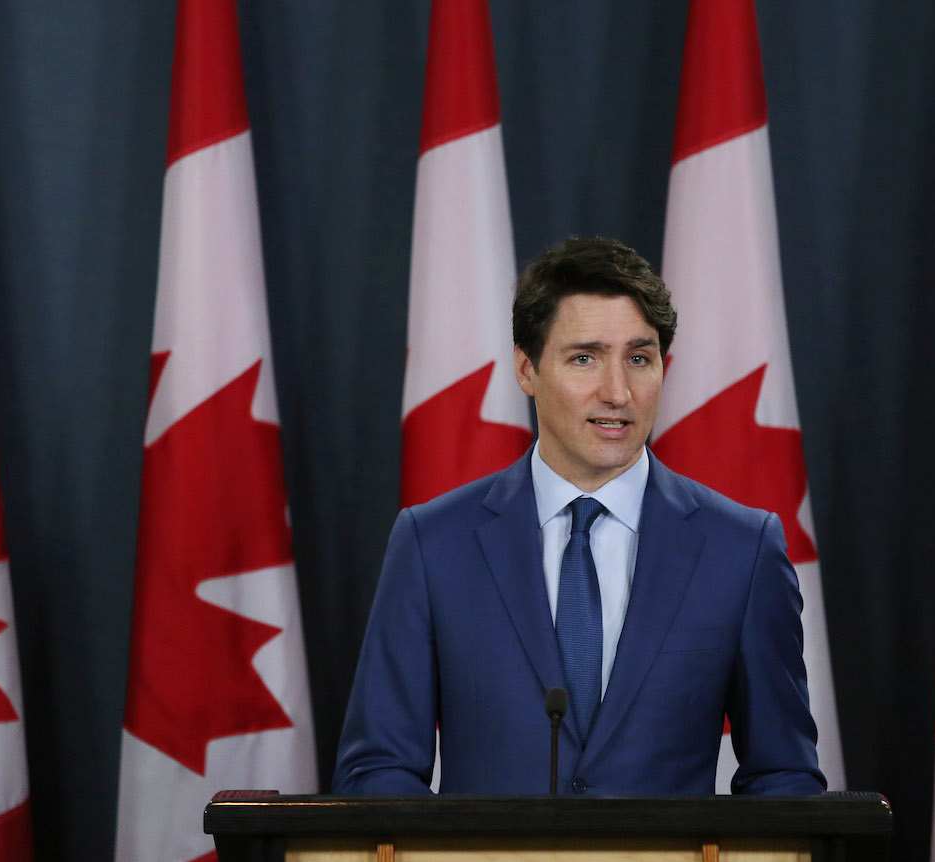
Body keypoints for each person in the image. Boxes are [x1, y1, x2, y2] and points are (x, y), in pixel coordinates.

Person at [333, 236, 824, 796]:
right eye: (584, 358)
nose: (617, 392)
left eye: (639, 359)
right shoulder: (432, 543)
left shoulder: (742, 549)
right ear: (527, 369)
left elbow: (784, 776)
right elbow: (377, 770)